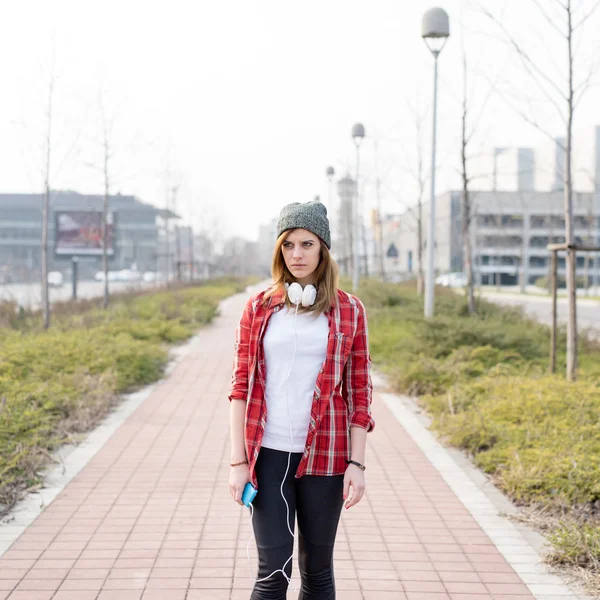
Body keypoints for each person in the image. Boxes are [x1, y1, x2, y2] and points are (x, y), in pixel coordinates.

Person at [228, 200, 375, 600]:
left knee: (318, 572)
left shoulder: (350, 311)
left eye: (307, 244)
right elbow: (240, 387)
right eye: (288, 244)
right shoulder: (258, 309)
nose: (297, 254)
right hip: (270, 453)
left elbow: (360, 393)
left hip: (327, 457)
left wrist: (357, 464)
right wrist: (239, 462)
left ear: (323, 249)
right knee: (273, 573)